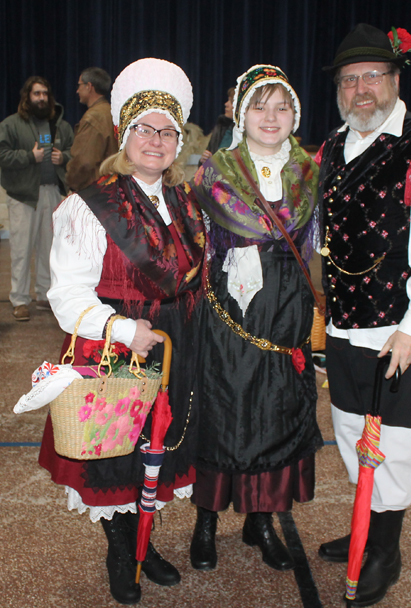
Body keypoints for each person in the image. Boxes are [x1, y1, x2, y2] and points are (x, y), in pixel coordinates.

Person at [38, 58, 205, 605]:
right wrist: (119, 327)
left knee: (155, 449)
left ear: (179, 141)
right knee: (115, 452)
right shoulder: (91, 207)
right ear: (123, 135)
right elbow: (65, 295)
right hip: (114, 344)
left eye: (167, 132)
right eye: (143, 129)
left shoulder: (185, 203)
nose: (155, 141)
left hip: (173, 343)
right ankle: (121, 547)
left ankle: (144, 541)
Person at [316, 24, 411, 607]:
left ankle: (386, 548)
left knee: (395, 441)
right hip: (346, 324)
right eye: (349, 79)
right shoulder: (333, 145)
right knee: (352, 430)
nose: (361, 89)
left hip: (398, 329)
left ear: (395, 80)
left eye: (372, 77)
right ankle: (365, 523)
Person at [189, 64, 323, 573]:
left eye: (281, 107)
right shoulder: (215, 170)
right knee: (223, 409)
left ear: (295, 114)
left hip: (287, 303)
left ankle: (262, 520)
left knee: (276, 409)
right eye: (260, 107)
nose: (271, 117)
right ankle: (207, 520)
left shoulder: (309, 171)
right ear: (241, 114)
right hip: (231, 309)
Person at [0, 76, 73, 321]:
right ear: (27, 97)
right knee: (21, 250)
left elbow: (76, 151)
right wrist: (30, 157)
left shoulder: (60, 125)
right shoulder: (11, 124)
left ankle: (44, 295)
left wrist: (63, 157)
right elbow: (3, 155)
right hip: (23, 196)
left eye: (44, 93)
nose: (41, 98)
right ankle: (19, 300)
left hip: (52, 192)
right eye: (36, 93)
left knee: (49, 248)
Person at [66, 66, 118, 191]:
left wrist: (71, 184)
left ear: (89, 86)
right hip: (111, 187)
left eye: (79, 85)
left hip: (93, 190)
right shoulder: (111, 112)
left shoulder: (93, 117)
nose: (77, 90)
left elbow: (84, 162)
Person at [198, 86, 235, 164]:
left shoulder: (248, 133)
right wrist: (204, 161)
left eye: (231, 101)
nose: (226, 104)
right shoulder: (221, 127)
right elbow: (208, 156)